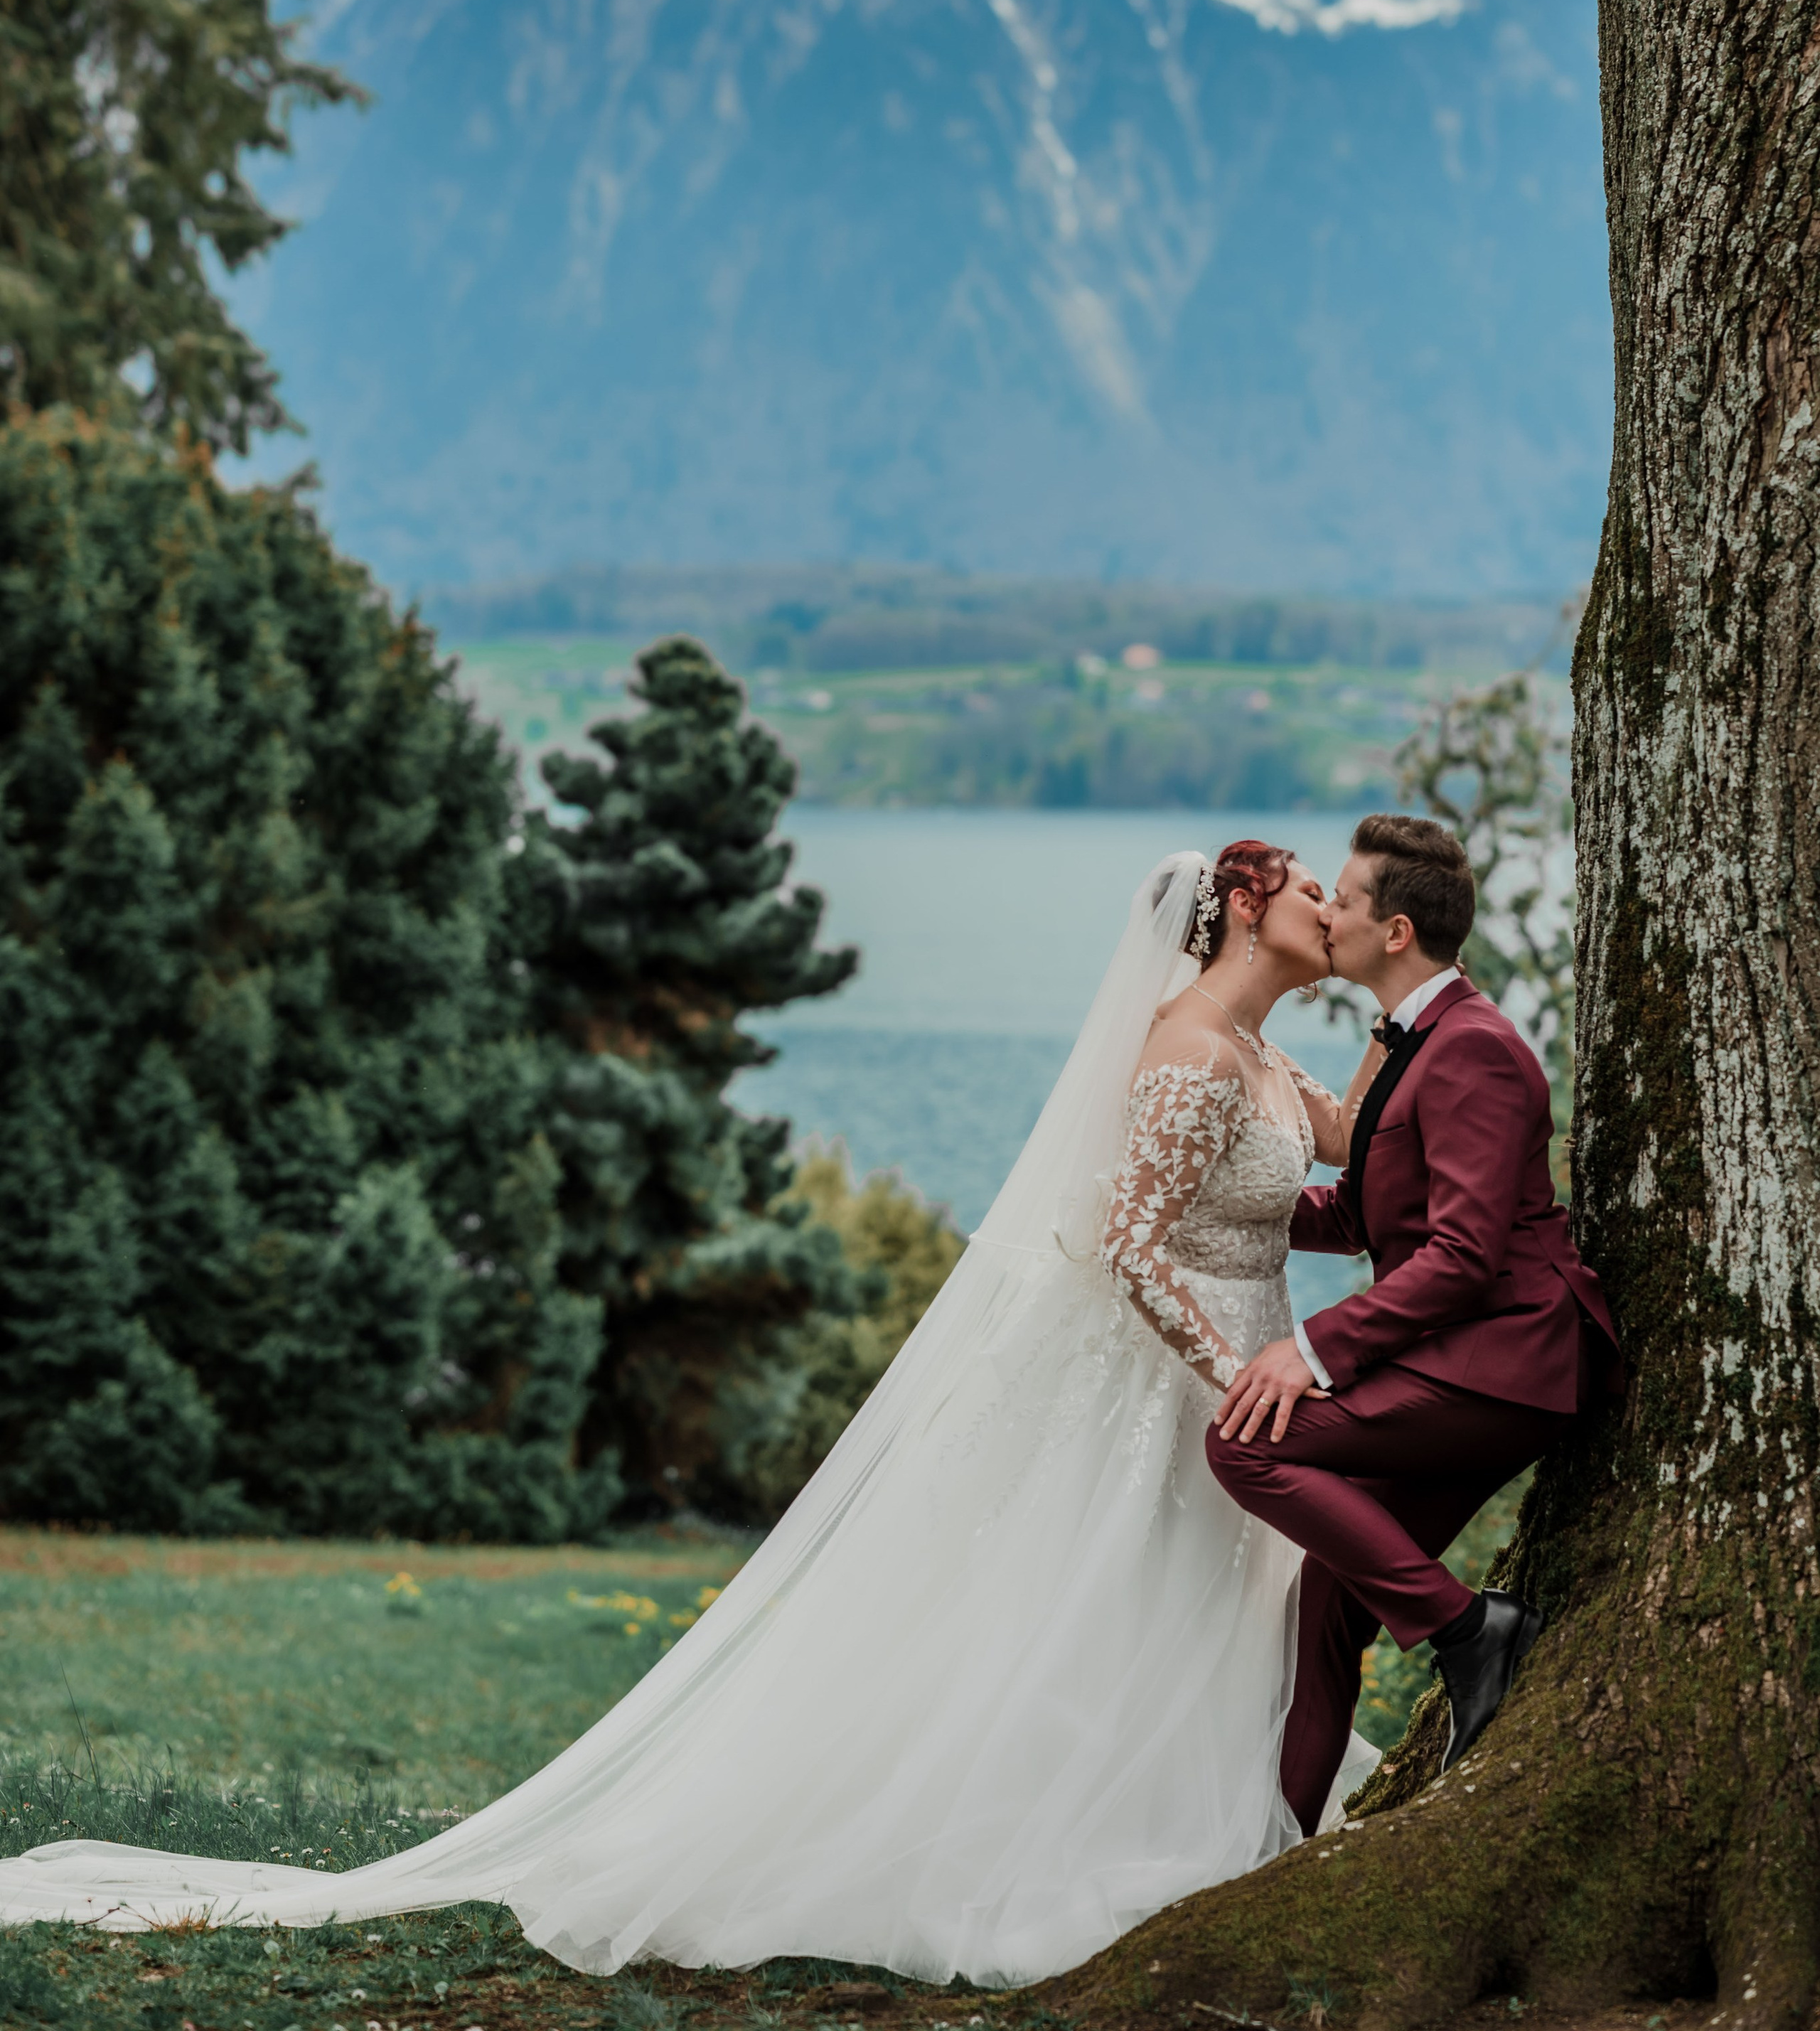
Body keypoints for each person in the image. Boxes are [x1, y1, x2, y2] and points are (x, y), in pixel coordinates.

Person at [0, 847, 1366, 1981]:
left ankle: (1207, 1809)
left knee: (1202, 1601)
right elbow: (1131, 1246)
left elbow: (1358, 1152)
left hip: (1242, 1363)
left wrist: (1404, 1000)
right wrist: (1237, 1371)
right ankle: (1073, 1833)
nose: (1327, 904)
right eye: (1308, 886)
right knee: (1110, 1598)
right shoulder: (1187, 1056)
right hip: (1169, 1380)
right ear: (1241, 910)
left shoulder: (1255, 1055)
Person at [1207, 813, 1620, 1840]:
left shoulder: (1472, 1048)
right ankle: (1285, 1845)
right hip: (1474, 1358)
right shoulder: (1413, 1039)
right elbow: (1361, 1215)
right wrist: (1209, 1209)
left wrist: (1310, 1349)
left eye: (1342, 900)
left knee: (1244, 1443)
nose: (1326, 913)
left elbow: (1466, 1255)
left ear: (1394, 931)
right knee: (1329, 1596)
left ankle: (1471, 1628)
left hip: (1515, 1360)